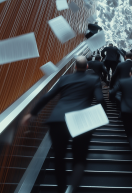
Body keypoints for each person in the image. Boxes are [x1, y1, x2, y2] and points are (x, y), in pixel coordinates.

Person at [21, 56, 106, 193]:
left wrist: (32, 113)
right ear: (87, 67)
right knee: (79, 158)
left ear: (75, 67)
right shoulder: (93, 79)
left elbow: (47, 96)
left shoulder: (65, 79)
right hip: (81, 120)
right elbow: (101, 99)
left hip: (58, 119)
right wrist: (102, 115)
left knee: (59, 157)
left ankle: (61, 189)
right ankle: (71, 189)